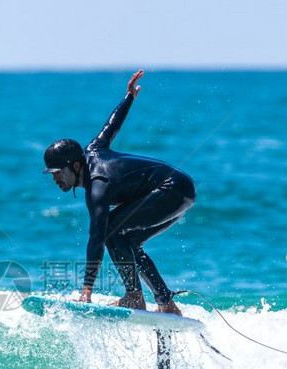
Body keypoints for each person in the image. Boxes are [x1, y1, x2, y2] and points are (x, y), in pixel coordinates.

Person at [43, 70, 196, 315]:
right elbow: (111, 126)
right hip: (178, 189)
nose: (55, 178)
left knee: (112, 231)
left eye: (58, 172)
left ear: (75, 165)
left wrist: (87, 290)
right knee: (128, 241)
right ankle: (166, 303)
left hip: (172, 189)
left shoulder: (98, 186)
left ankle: (135, 297)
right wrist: (128, 98)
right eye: (51, 174)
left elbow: (96, 238)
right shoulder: (92, 149)